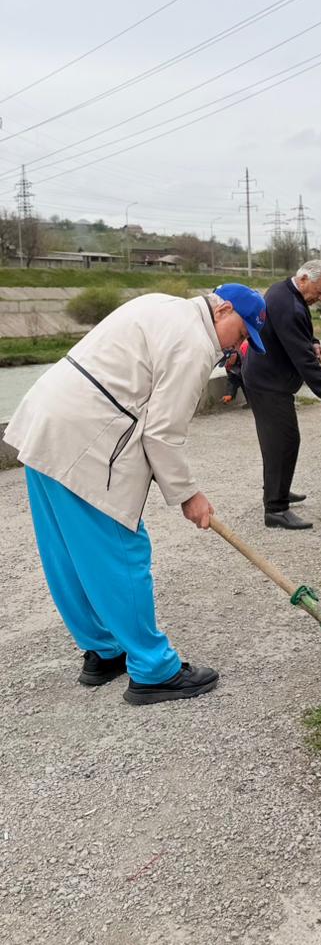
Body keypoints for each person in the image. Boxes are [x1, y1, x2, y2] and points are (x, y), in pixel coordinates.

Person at [4, 284, 267, 706]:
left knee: (67, 552)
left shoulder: (159, 304)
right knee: (122, 552)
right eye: (240, 333)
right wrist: (189, 495)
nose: (236, 345)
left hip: (45, 420)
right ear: (224, 310)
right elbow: (161, 433)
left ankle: (104, 651)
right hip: (86, 436)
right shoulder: (194, 343)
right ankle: (153, 670)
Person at [244, 260, 321, 530]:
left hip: (267, 377)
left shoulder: (285, 292)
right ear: (303, 279)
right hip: (268, 382)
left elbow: (298, 334)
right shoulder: (288, 303)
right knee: (283, 441)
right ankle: (276, 509)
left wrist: (313, 342)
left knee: (278, 440)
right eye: (319, 291)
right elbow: (303, 360)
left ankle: (278, 488)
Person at [221, 339, 248, 404]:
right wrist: (230, 394)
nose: (226, 365)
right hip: (247, 382)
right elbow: (232, 380)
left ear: (234, 355)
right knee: (242, 380)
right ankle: (250, 403)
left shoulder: (245, 356)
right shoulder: (229, 366)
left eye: (227, 361)